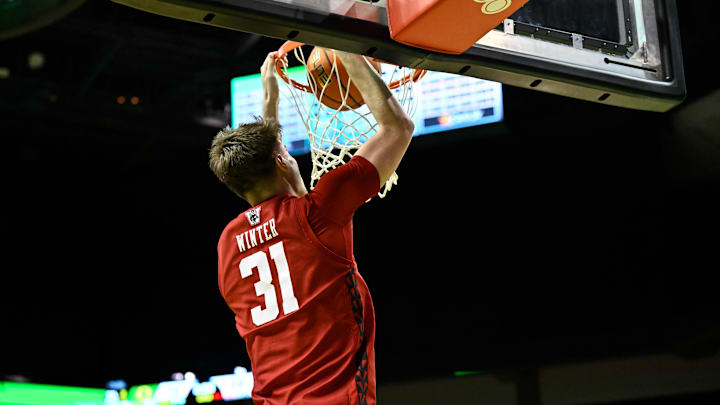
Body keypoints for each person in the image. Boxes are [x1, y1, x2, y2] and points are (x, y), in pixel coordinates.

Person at [209, 49, 414, 405]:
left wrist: (270, 98)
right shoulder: (319, 211)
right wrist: (344, 48)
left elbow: (278, 194)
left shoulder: (228, 244)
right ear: (281, 159)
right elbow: (398, 127)